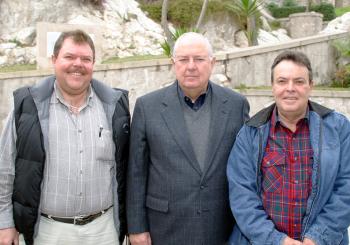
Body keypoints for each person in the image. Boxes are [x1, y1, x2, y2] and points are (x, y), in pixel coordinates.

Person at [0, 29, 130, 245]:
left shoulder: (114, 107)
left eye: (85, 59)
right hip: (48, 232)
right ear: (54, 60)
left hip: (103, 230)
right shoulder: (26, 107)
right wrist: (5, 222)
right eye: (69, 57)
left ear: (93, 64)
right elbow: (4, 169)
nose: (77, 64)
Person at [126, 32, 250, 245]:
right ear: (173, 63)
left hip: (221, 227)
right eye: (183, 59)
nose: (191, 66)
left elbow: (246, 167)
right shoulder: (147, 107)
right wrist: (137, 228)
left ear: (212, 63)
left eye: (199, 59)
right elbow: (136, 173)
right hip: (164, 228)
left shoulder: (236, 105)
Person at [227, 50, 350, 245]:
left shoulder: (339, 128)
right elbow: (242, 197)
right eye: (282, 81)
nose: (290, 88)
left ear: (311, 86)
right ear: (273, 86)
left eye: (299, 81)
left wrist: (317, 238)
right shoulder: (250, 134)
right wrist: (278, 241)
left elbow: (346, 188)